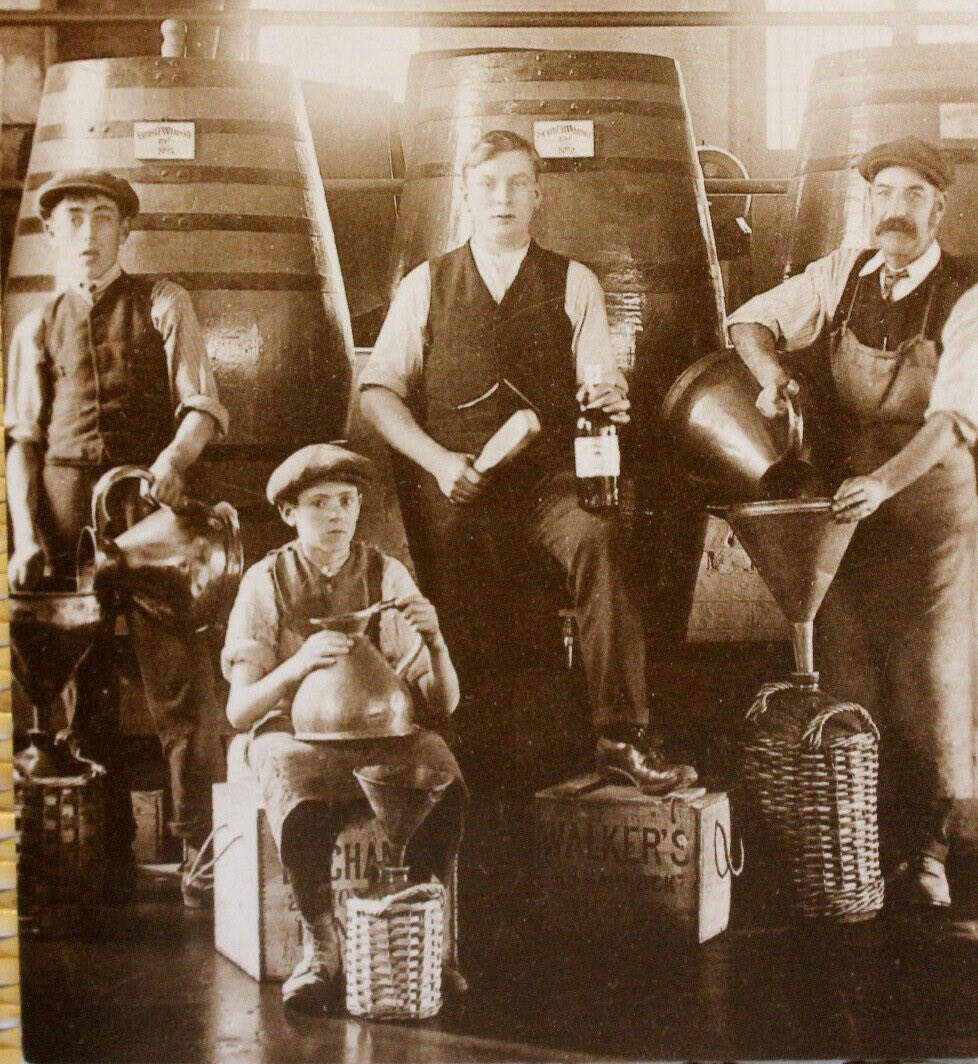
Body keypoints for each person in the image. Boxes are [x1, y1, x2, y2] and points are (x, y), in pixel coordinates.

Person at [359, 130, 697, 795]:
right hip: (461, 488)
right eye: (487, 184)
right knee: (466, 623)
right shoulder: (427, 285)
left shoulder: (575, 283)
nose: (502, 197)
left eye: (517, 183)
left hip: (552, 488)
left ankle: (620, 734)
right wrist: (436, 460)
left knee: (602, 537)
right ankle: (454, 753)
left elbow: (599, 385)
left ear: (539, 194)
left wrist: (610, 398)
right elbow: (378, 393)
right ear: (465, 194)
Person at [727, 136, 978, 916]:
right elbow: (746, 322)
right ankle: (858, 850)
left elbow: (954, 423)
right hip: (845, 521)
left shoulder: (968, 294)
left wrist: (884, 481)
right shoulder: (841, 274)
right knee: (847, 682)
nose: (894, 211)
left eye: (911, 197)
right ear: (866, 203)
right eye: (883, 195)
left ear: (939, 208)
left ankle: (931, 852)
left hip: (931, 512)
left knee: (930, 690)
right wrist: (772, 376)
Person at [5, 170, 229, 905]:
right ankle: (98, 853)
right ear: (53, 234)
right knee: (83, 695)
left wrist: (173, 459)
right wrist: (25, 536)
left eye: (104, 218)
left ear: (125, 231)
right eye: (74, 219)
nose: (90, 233)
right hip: (69, 525)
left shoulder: (166, 303)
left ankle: (203, 847)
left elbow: (201, 406)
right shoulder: (36, 326)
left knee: (183, 689)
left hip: (153, 517)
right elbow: (23, 446)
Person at [221, 443, 467, 1014]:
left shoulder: (386, 573)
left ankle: (434, 940)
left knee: (443, 776)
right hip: (292, 733)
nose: (336, 515)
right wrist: (298, 665)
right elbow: (239, 713)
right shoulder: (266, 581)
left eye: (347, 501)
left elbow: (442, 703)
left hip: (380, 732)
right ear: (289, 513)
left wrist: (434, 640)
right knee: (299, 787)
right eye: (318, 503)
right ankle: (321, 947)